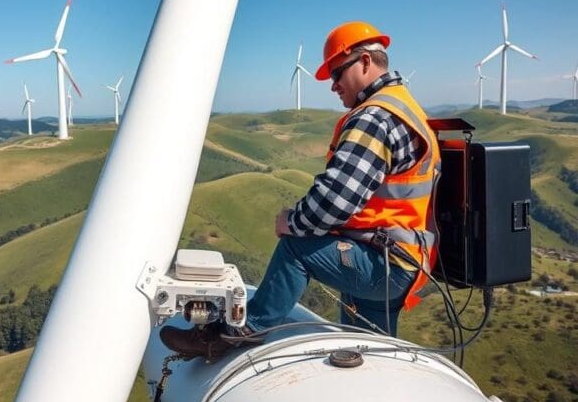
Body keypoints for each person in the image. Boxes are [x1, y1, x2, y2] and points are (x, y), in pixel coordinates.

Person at [160, 20, 441, 361]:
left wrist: (290, 221)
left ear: (365, 62)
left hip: (384, 263)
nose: (334, 85)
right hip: (401, 261)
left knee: (296, 248)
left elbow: (334, 201)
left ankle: (240, 334)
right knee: (372, 355)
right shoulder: (404, 107)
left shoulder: (374, 118)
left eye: (337, 72)